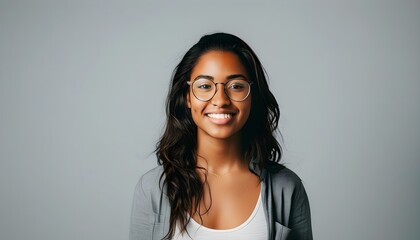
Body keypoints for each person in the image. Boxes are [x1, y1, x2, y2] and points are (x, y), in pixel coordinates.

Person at [129, 32, 312, 240]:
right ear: (187, 96)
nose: (221, 100)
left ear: (252, 96)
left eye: (236, 86)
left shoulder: (287, 188)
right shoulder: (152, 188)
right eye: (205, 86)